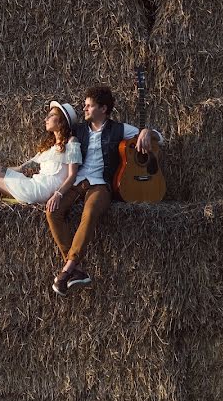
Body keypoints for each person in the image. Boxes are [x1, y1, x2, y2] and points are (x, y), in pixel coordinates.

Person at [48, 86, 163, 296]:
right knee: (52, 211)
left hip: (101, 184)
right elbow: (57, 133)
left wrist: (146, 132)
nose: (84, 108)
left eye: (89, 105)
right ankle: (74, 269)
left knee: (90, 213)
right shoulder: (79, 130)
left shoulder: (119, 129)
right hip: (77, 182)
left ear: (103, 108)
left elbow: (159, 139)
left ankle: (66, 271)